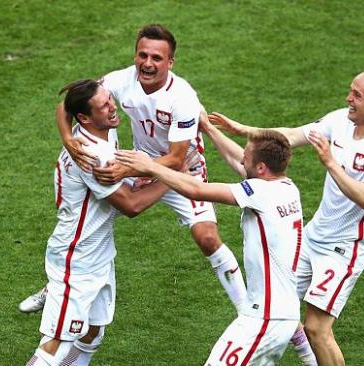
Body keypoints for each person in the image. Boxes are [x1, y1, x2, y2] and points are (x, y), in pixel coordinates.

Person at [19, 23, 247, 314]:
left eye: (156, 58)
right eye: (142, 55)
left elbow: (177, 159)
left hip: (181, 170)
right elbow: (69, 103)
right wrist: (67, 138)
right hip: (138, 163)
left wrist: (128, 171)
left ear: (170, 62)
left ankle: (247, 311)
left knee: (207, 237)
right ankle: (56, 286)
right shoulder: (121, 80)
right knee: (89, 220)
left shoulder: (183, 98)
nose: (147, 64)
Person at [208, 70, 364, 366]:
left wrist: (329, 161)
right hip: (312, 238)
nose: (348, 99)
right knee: (280, 304)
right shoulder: (338, 120)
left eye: (357, 95)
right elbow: (291, 135)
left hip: (344, 248)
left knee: (317, 328)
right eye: (350, 91)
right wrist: (244, 130)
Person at [115, 127, 303, 366]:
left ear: (261, 168)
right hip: (282, 316)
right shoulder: (287, 188)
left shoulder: (260, 192)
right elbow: (242, 162)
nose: (242, 157)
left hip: (265, 319)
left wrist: (151, 166)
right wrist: (208, 127)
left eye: (247, 155)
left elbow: (197, 190)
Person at [26, 79, 172, 366]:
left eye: (110, 100)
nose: (112, 107)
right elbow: (131, 205)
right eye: (104, 106)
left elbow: (64, 105)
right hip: (77, 258)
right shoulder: (93, 155)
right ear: (84, 117)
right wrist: (176, 176)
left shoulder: (97, 132)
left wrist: (135, 177)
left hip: (97, 254)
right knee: (53, 348)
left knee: (92, 333)